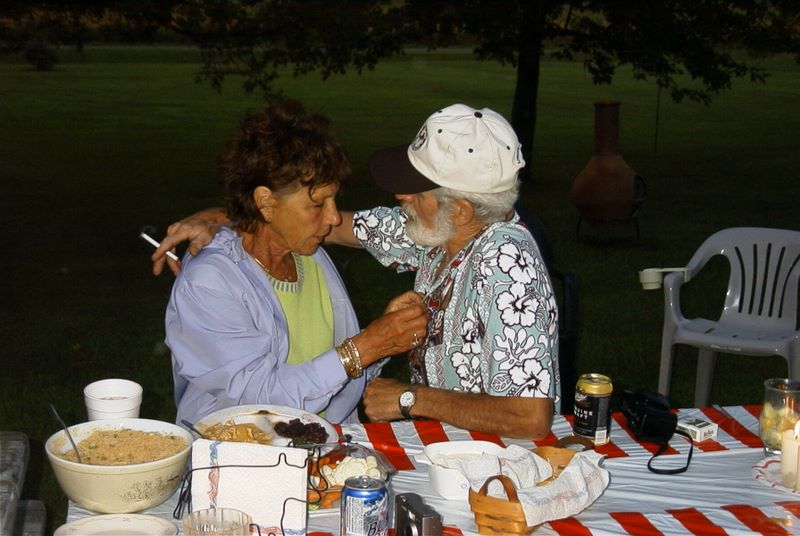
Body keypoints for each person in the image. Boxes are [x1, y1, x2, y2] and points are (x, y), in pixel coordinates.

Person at [154, 103, 558, 439]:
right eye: (319, 205)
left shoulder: (507, 263)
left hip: (490, 458)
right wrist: (230, 215)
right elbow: (336, 223)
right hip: (249, 449)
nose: (401, 196)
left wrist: (406, 394)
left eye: (416, 189)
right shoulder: (439, 232)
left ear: (463, 209)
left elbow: (530, 417)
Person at [166, 100, 428, 427]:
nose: (333, 218)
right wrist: (365, 346)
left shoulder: (310, 255)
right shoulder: (210, 282)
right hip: (237, 458)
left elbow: (330, 375)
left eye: (334, 201)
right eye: (317, 204)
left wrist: (382, 342)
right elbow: (258, 404)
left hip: (322, 449)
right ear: (265, 202)